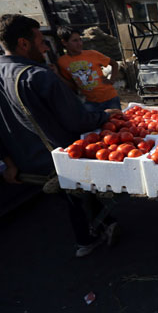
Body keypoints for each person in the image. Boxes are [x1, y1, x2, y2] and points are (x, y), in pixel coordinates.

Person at [0, 14, 119, 257]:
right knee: (75, 195)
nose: (45, 47)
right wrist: (105, 115)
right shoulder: (39, 76)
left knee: (76, 196)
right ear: (24, 44)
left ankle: (105, 223)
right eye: (41, 41)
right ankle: (87, 239)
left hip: (25, 159)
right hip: (56, 157)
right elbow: (77, 119)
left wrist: (8, 161)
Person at [57, 27, 121, 112]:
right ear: (64, 42)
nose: (79, 43)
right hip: (91, 103)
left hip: (110, 98)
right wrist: (57, 75)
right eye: (75, 41)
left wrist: (112, 79)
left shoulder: (92, 54)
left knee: (118, 122)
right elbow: (72, 86)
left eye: (80, 40)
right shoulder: (62, 62)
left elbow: (114, 64)